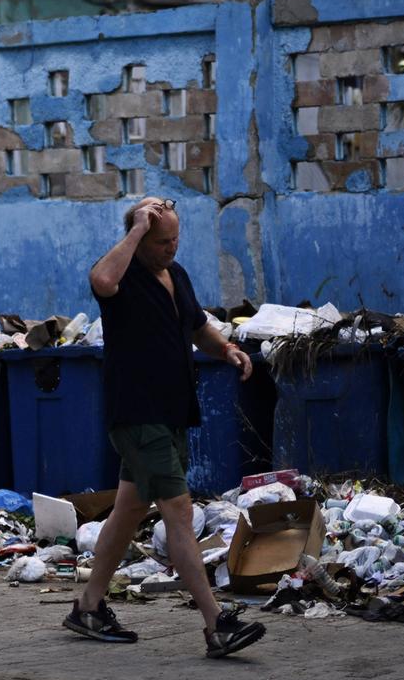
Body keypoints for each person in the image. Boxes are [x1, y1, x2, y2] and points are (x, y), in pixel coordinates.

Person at [63, 196, 268, 659]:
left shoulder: (176, 276)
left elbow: (195, 325)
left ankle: (89, 607)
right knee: (178, 510)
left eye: (175, 239)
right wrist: (136, 230)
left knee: (130, 509)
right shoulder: (121, 273)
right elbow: (100, 280)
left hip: (173, 411)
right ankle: (217, 625)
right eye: (161, 241)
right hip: (138, 413)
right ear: (139, 238)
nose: (171, 248)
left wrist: (226, 350)